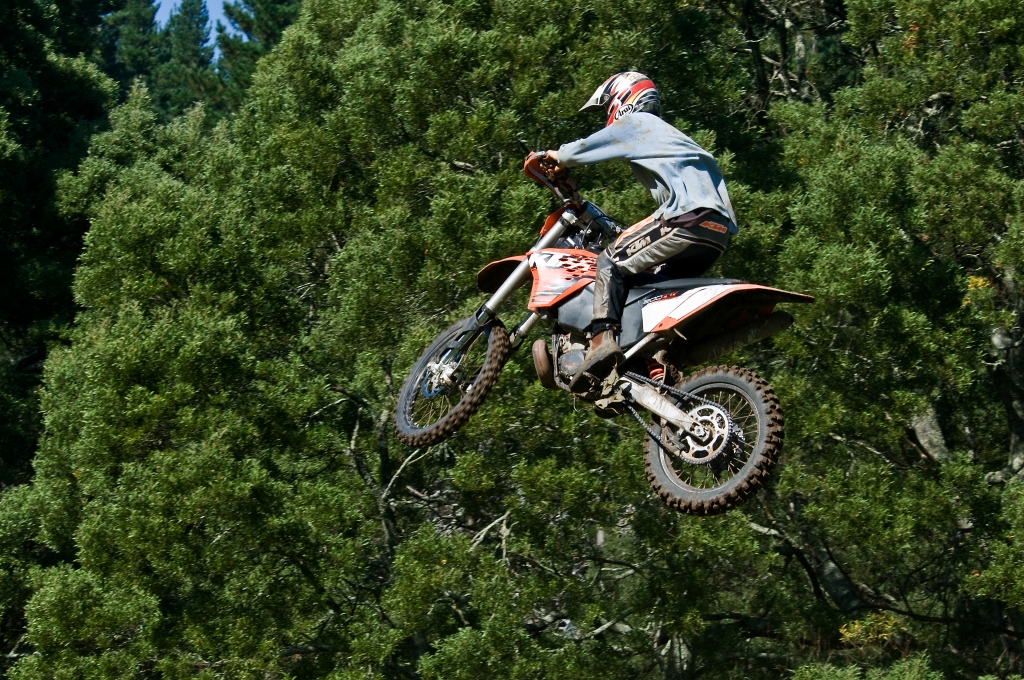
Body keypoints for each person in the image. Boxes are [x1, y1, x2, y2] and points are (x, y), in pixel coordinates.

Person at [543, 72, 738, 393]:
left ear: (622, 99)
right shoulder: (672, 137)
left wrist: (557, 156)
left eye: (607, 107)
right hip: (716, 233)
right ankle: (655, 361)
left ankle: (601, 340)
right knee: (651, 288)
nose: (608, 116)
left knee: (609, 262)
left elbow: (581, 150)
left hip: (686, 218)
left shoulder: (638, 123)